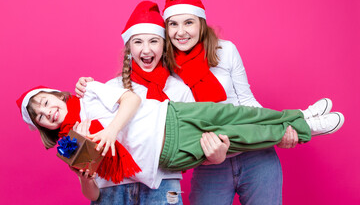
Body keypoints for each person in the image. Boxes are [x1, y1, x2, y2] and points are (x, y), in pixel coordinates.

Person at [18, 81, 344, 202]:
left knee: (236, 114)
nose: (49, 111)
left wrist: (109, 131)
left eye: (46, 102)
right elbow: (95, 191)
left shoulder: (89, 92)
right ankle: (304, 128)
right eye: (41, 116)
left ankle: (298, 115)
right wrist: (84, 177)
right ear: (43, 127)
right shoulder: (70, 146)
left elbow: (130, 100)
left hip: (171, 113)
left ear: (54, 94)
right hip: (168, 151)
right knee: (238, 138)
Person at [162, 0, 302, 204]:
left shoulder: (225, 51)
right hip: (210, 163)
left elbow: (247, 101)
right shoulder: (166, 68)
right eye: (173, 24)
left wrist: (278, 131)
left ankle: (309, 122)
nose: (181, 32)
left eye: (188, 22)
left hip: (256, 154)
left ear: (200, 23)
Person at [74, 0, 228, 204]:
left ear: (164, 46)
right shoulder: (110, 87)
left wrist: (216, 155)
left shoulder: (179, 90)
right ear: (129, 48)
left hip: (163, 185)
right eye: (138, 42)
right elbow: (86, 140)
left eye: (153, 41)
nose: (146, 50)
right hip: (113, 187)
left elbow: (194, 141)